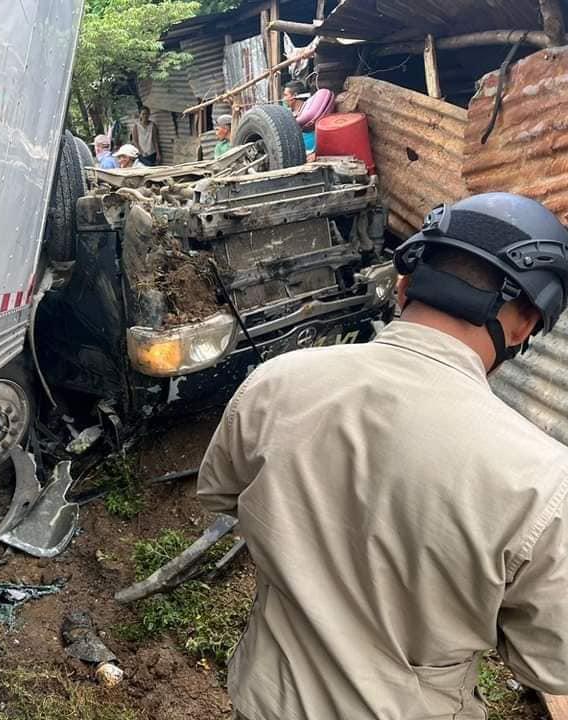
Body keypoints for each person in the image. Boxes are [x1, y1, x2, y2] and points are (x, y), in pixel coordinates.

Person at [198, 192, 568, 720]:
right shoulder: (542, 482)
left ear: (403, 285)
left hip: (266, 702)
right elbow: (550, 661)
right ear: (525, 324)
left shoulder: (277, 381)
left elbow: (220, 493)